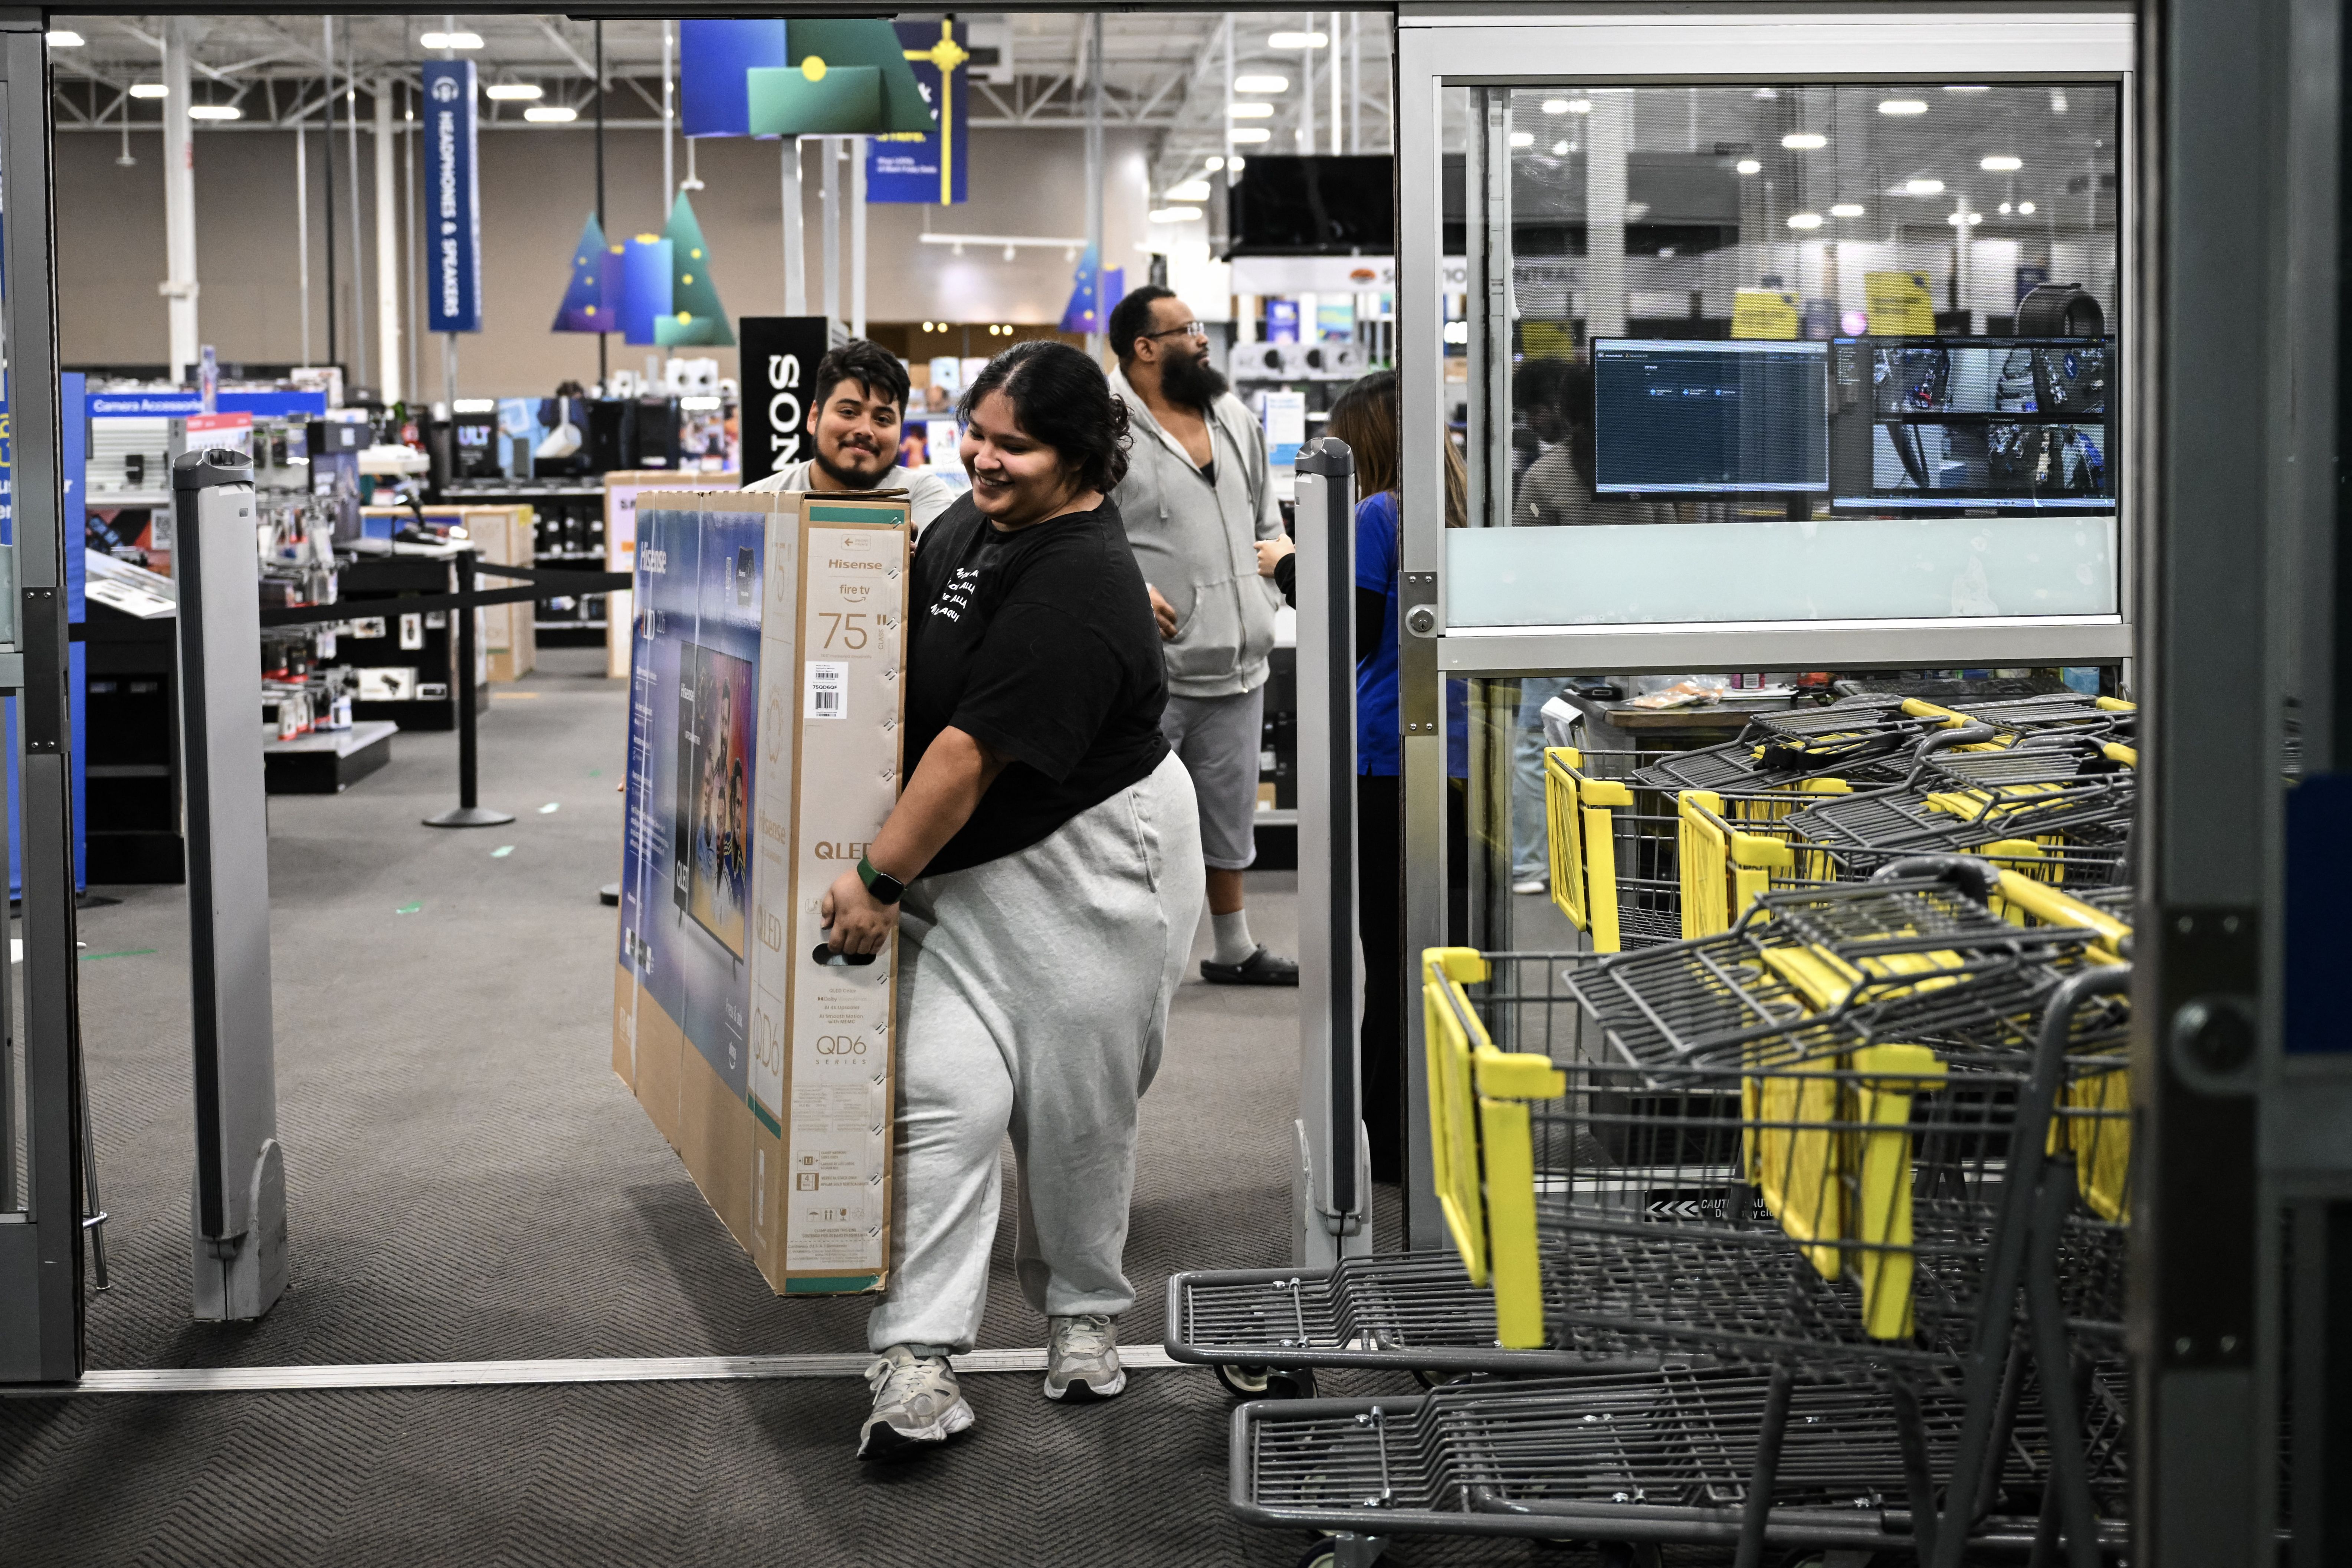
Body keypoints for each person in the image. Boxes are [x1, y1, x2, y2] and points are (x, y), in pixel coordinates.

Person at [820, 340, 1204, 1461]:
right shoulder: (967, 523)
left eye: (1014, 445)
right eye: (975, 432)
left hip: (1090, 860)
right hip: (966, 864)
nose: (983, 458)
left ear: (1081, 458)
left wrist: (876, 879)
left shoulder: (1080, 579)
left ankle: (1083, 1312)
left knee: (1077, 1105)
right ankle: (916, 1352)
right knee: (947, 1096)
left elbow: (970, 754)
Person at [1253, 371, 1469, 1183]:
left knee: (1391, 952)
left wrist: (1288, 564)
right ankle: (1433, 1121)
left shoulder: (1379, 514)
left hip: (1389, 758)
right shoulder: (1451, 513)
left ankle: (1394, 1136)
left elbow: (1349, 628)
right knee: (1440, 951)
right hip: (1451, 759)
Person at [1106, 285, 1296, 986]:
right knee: (1137, 827)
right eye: (1187, 329)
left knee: (1228, 817)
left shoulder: (1231, 416)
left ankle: (1232, 948)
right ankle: (1133, 960)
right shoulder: (1102, 422)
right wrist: (1121, 584)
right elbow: (1075, 522)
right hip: (1151, 667)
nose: (1203, 339)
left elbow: (1266, 520)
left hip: (1240, 656)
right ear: (1144, 347)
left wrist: (1269, 589)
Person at [1502, 359, 1679, 893]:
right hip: (1637, 633)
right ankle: (1630, 856)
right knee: (1634, 744)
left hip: (1564, 632)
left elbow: (1526, 561)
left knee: (1539, 744)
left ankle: (1535, 865)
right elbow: (1672, 545)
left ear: (1564, 408)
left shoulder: (1545, 475)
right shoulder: (1646, 462)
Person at [744, 339, 958, 534]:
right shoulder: (754, 506)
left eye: (883, 419)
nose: (865, 430)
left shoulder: (924, 497)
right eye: (848, 412)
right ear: (814, 417)